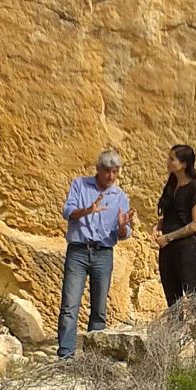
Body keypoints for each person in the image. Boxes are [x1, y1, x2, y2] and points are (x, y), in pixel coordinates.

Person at [57, 148, 135, 359]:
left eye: (115, 171)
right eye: (107, 171)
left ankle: (94, 359)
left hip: (103, 253)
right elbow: (67, 212)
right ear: (98, 169)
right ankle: (66, 355)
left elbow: (125, 233)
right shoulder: (80, 185)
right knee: (69, 305)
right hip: (79, 251)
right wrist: (87, 210)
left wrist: (121, 227)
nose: (111, 176)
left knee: (99, 308)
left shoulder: (119, 196)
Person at [153, 143, 196, 307]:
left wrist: (169, 237)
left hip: (187, 250)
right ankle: (174, 332)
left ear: (183, 164)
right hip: (168, 251)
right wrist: (158, 226)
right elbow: (172, 215)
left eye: (172, 159)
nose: (168, 161)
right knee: (172, 301)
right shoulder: (171, 185)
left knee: (194, 299)